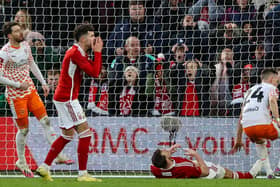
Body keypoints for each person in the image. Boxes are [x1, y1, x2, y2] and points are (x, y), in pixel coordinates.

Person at [0, 22, 73, 178]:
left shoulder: (26, 46)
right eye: (16, 32)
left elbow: (32, 63)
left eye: (20, 30)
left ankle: (58, 154)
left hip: (30, 90)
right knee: (24, 130)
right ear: (9, 36)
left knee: (45, 120)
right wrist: (17, 84)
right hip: (15, 95)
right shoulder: (4, 53)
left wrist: (43, 82)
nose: (20, 33)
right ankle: (21, 161)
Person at [36, 24, 103, 182]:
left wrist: (95, 54)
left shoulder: (79, 52)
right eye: (92, 36)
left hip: (64, 97)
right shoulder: (75, 53)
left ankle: (44, 167)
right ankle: (82, 174)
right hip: (68, 98)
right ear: (83, 38)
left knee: (67, 136)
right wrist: (98, 52)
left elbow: (93, 70)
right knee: (85, 134)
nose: (94, 39)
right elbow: (95, 72)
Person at [233, 69, 280, 178]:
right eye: (277, 81)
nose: (277, 84)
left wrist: (238, 139)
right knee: (266, 128)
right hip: (262, 125)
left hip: (248, 129)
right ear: (272, 79)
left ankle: (269, 172)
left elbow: (241, 116)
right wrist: (277, 119)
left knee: (260, 142)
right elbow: (273, 101)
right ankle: (279, 168)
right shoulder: (272, 88)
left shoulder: (249, 90)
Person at [151, 144, 259, 179]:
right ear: (166, 159)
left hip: (192, 167)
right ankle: (249, 175)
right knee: (224, 172)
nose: (166, 149)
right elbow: (205, 172)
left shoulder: (156, 169)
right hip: (201, 171)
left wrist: (169, 152)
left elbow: (157, 164)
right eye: (164, 151)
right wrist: (196, 155)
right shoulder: (184, 168)